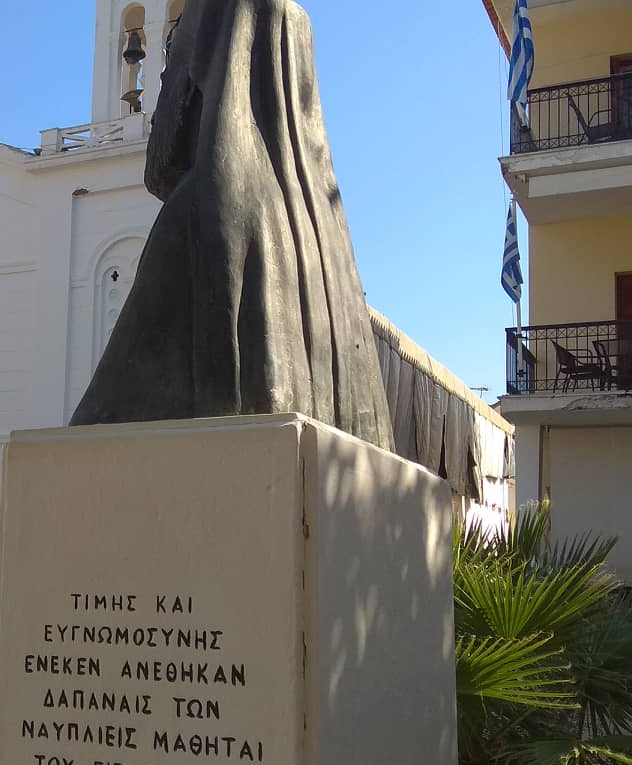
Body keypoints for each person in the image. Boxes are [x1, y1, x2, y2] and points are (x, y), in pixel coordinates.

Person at [68, 0, 393, 451]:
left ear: (199, 71)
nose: (159, 87)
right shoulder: (334, 263)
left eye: (170, 64)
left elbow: (93, 433)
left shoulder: (196, 213)